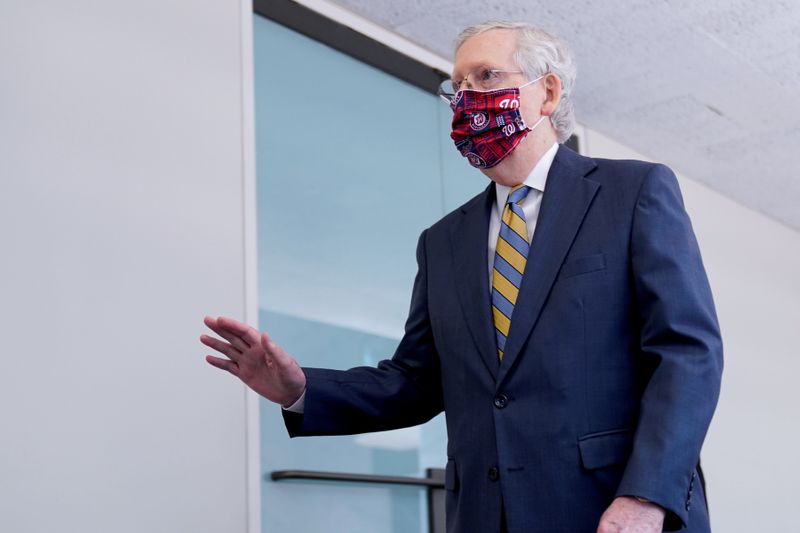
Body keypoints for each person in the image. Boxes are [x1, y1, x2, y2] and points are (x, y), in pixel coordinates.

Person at [201, 20, 723, 533]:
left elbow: (687, 353)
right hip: (484, 513)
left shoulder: (632, 192)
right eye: (458, 86)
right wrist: (302, 389)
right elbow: (416, 382)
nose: (467, 97)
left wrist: (646, 496)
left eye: (487, 76)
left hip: (613, 509)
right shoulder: (442, 242)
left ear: (547, 93)